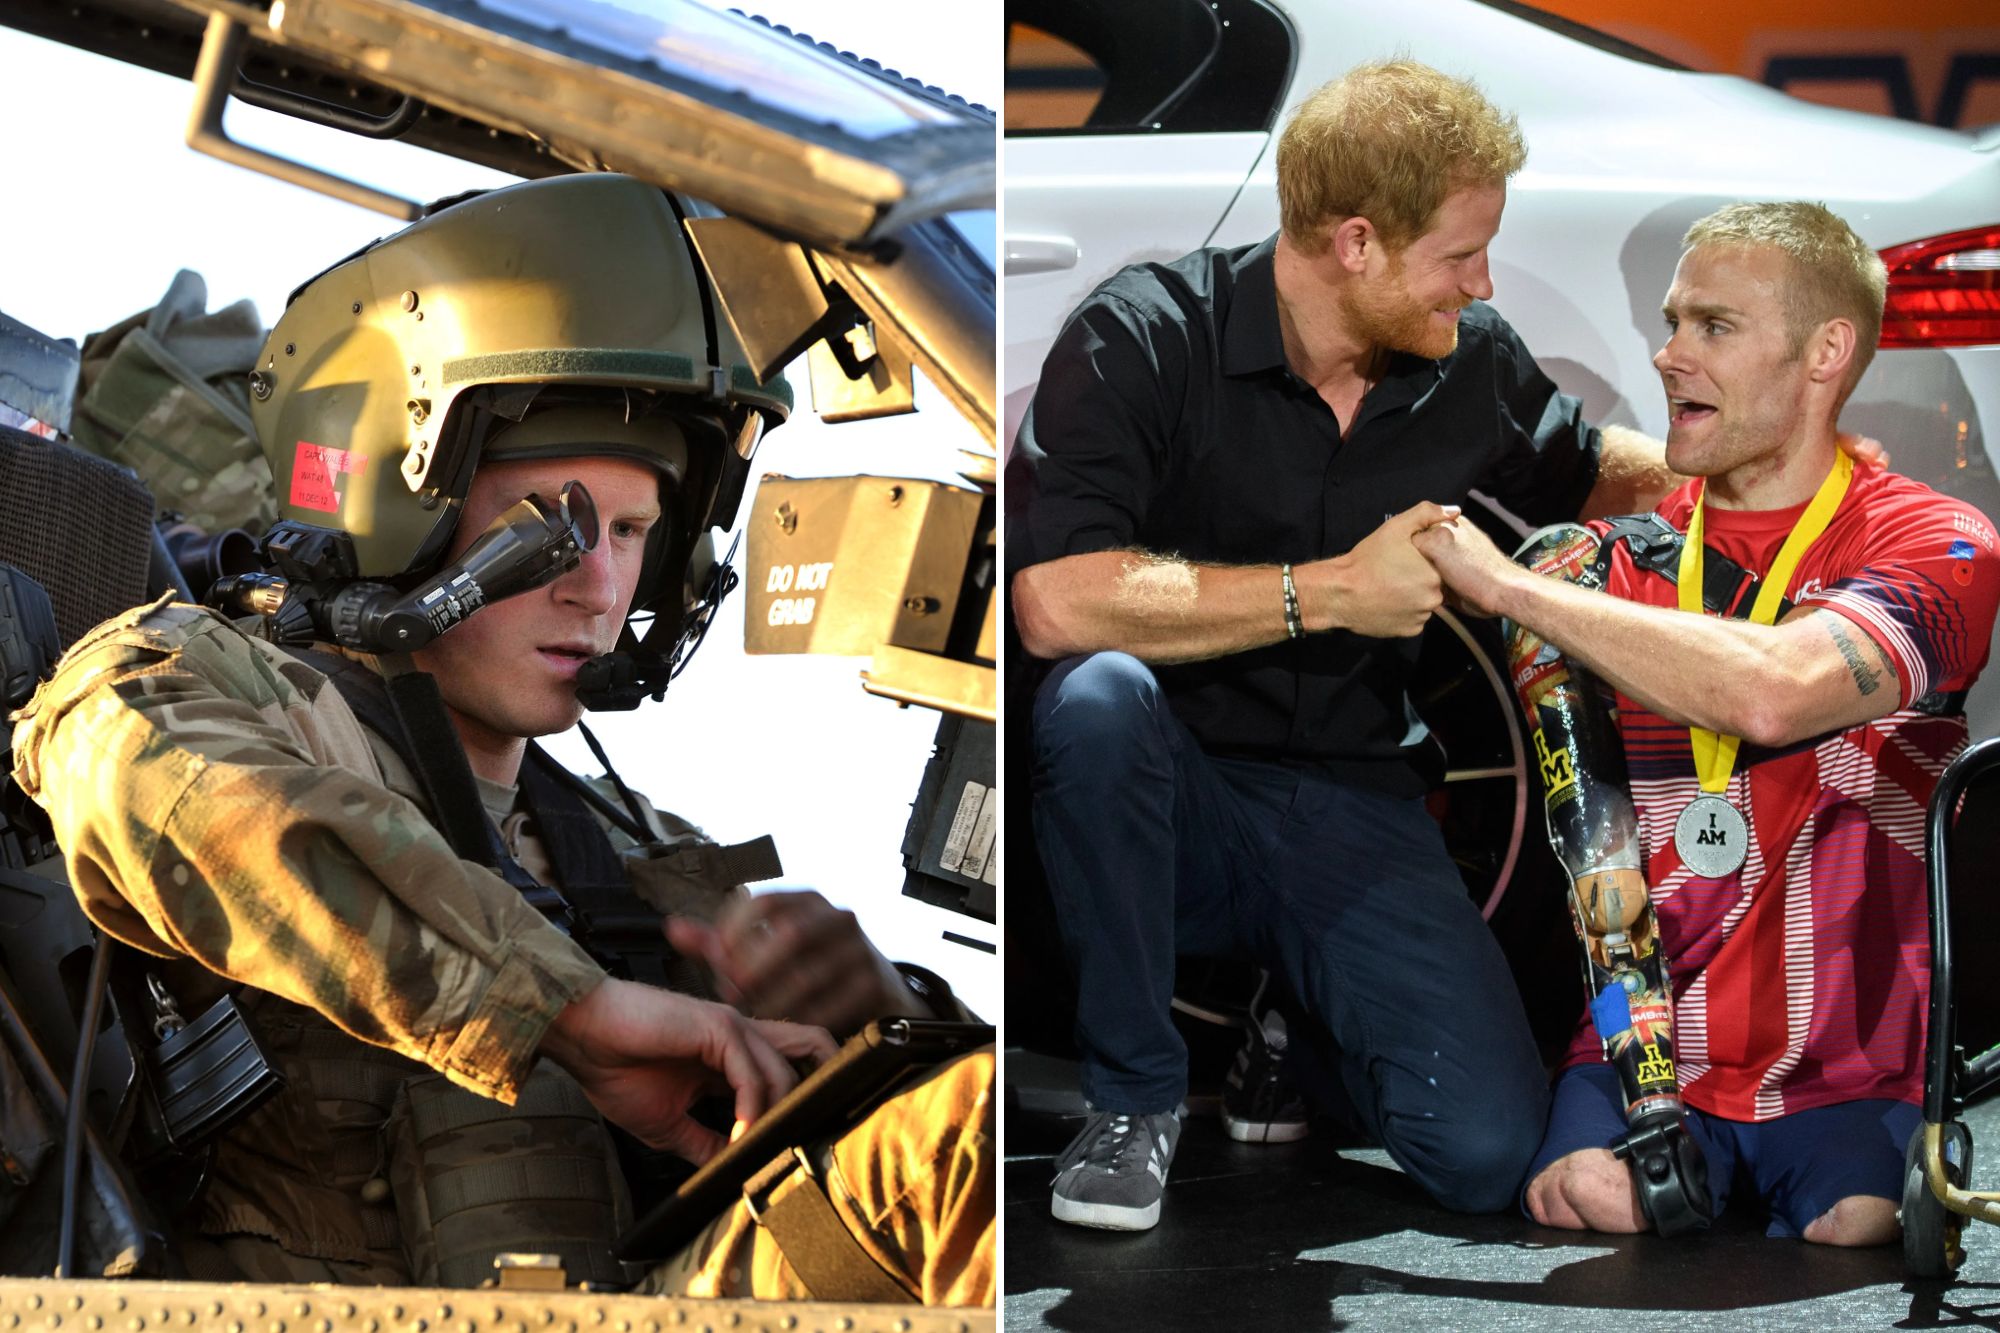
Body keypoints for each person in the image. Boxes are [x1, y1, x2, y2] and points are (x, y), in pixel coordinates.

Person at [12, 172, 993, 1303]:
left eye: (634, 531)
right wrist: (567, 1010)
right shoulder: (203, 693)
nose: (601, 587)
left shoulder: (634, 855)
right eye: (556, 527)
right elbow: (127, 766)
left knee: (962, 1133)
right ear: (401, 510)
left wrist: (888, 1012)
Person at [1006, 57, 1707, 1233]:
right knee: (1095, 699)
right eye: (1458, 254)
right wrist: (1325, 593)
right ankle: (1133, 1098)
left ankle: (1297, 1030)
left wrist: (1752, 478)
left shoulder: (1467, 357)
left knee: (1484, 1157)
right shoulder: (1143, 335)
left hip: (1349, 803)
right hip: (1168, 797)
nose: (1481, 281)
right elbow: (1055, 604)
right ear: (1355, 244)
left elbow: (1587, 468)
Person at [1412, 200, 1999, 1245]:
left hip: (1847, 1074)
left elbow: (1776, 690)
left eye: (1713, 326)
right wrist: (1640, 1090)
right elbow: (1591, 851)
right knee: (1582, 1200)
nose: (1667, 353)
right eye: (1672, 321)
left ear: (1826, 353)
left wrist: (1506, 589)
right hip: (1640, 1061)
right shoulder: (1595, 567)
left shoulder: (1937, 543)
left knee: (1859, 1224)